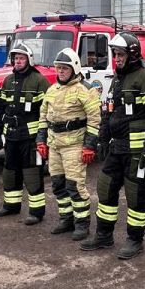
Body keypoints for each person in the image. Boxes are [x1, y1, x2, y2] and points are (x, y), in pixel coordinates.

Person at [81, 32, 145, 258]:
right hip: (116, 149)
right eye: (115, 54)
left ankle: (135, 240)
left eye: (120, 54)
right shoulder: (118, 79)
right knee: (105, 188)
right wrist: (102, 140)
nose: (116, 58)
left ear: (132, 54)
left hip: (137, 151)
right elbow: (109, 112)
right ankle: (104, 235)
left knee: (136, 195)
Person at [36, 49, 102, 241]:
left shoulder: (86, 90)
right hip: (54, 144)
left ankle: (82, 224)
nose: (61, 71)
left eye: (64, 68)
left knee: (75, 185)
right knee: (58, 184)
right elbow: (43, 117)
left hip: (74, 145)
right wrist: (41, 140)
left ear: (74, 68)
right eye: (58, 68)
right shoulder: (52, 89)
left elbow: (94, 120)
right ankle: (66, 219)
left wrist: (89, 146)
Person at [0, 42, 51, 224]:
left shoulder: (39, 81)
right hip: (11, 136)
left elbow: (47, 111)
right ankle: (11, 206)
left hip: (30, 138)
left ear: (29, 60)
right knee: (10, 172)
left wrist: (43, 137)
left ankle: (37, 212)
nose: (18, 61)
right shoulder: (8, 80)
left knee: (32, 174)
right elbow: (0, 108)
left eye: (21, 58)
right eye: (16, 58)